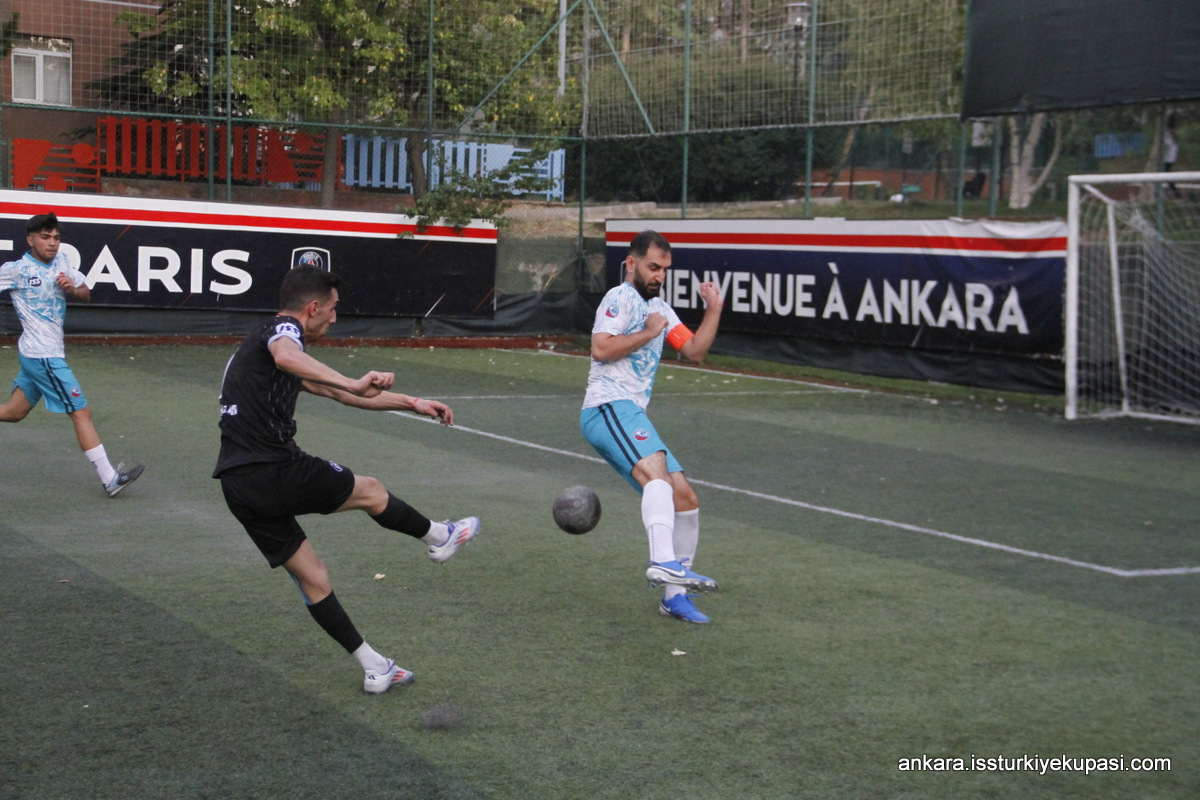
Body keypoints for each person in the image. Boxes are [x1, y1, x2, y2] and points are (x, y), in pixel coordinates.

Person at [213, 265, 479, 694]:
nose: (335, 318)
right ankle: (439, 536)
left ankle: (376, 668)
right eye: (333, 309)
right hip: (274, 469)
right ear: (313, 308)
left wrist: (411, 402)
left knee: (313, 578)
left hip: (238, 485)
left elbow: (340, 392)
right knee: (370, 491)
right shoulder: (282, 333)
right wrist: (353, 380)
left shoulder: (259, 345)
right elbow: (289, 356)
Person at [580, 230, 725, 624]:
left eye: (664, 269)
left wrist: (713, 309)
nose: (659, 275)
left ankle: (675, 597)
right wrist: (648, 331)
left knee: (685, 497)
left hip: (631, 413)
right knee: (657, 473)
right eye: (653, 266)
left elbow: (694, 351)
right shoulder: (619, 298)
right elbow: (601, 348)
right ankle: (663, 560)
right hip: (607, 406)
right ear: (632, 263)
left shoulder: (661, 309)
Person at [0, 212, 145, 496]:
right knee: (81, 412)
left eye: (56, 237)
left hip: (41, 355)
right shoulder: (17, 270)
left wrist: (73, 288)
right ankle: (110, 480)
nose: (52, 243)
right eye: (45, 237)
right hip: (42, 356)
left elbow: (86, 292)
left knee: (13, 413)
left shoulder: (63, 261)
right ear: (30, 240)